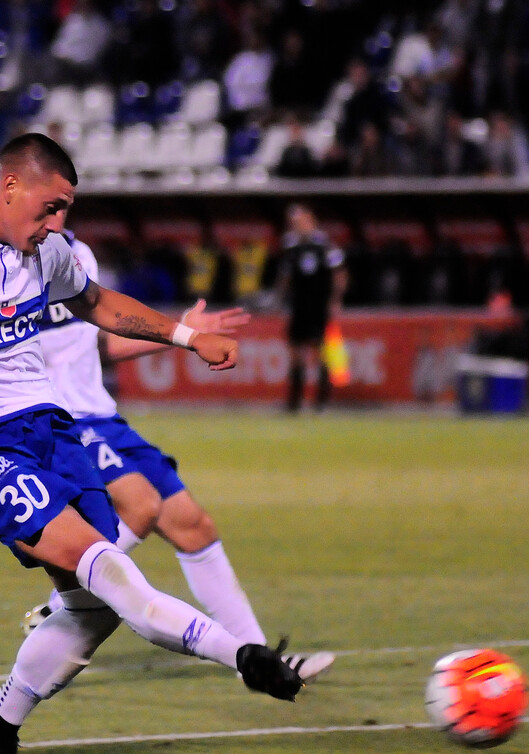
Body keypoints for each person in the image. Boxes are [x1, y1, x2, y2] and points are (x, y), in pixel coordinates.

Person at [0, 134, 329, 754]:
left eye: (67, 209)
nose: (58, 224)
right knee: (114, 575)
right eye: (50, 207)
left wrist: (187, 336)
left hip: (53, 431)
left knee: (91, 607)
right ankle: (243, 655)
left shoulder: (49, 252)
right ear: (9, 186)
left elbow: (97, 304)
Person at [23, 232, 330, 669]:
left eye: (64, 203)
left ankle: (259, 659)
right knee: (140, 506)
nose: (57, 212)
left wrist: (183, 334)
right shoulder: (9, 262)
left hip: (103, 416)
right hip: (60, 418)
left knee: (192, 524)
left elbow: (101, 343)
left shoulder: (78, 255)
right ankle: (60, 606)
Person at [274, 204, 347, 412]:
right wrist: (279, 301)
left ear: (311, 221)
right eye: (294, 223)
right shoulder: (290, 247)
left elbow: (339, 275)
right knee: (296, 353)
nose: (297, 226)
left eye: (300, 221)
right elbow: (285, 277)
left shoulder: (325, 246)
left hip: (319, 307)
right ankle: (294, 403)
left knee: (320, 352)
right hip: (298, 307)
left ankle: (321, 402)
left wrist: (335, 300)